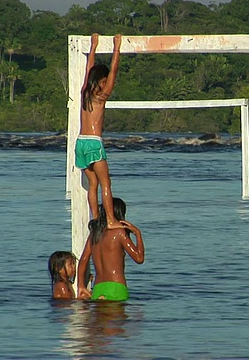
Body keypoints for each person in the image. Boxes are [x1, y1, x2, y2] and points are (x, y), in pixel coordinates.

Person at [75, 32, 123, 229]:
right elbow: (113, 72)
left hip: (80, 142)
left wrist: (93, 47)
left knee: (92, 185)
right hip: (94, 142)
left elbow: (88, 70)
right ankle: (110, 220)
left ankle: (95, 218)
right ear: (101, 81)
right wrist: (116, 48)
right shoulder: (101, 96)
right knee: (106, 184)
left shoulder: (84, 92)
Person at [77, 198, 145, 301]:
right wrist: (137, 233)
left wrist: (81, 286)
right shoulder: (119, 233)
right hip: (116, 286)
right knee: (117, 317)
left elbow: (83, 260)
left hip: (98, 287)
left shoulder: (94, 234)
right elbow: (139, 258)